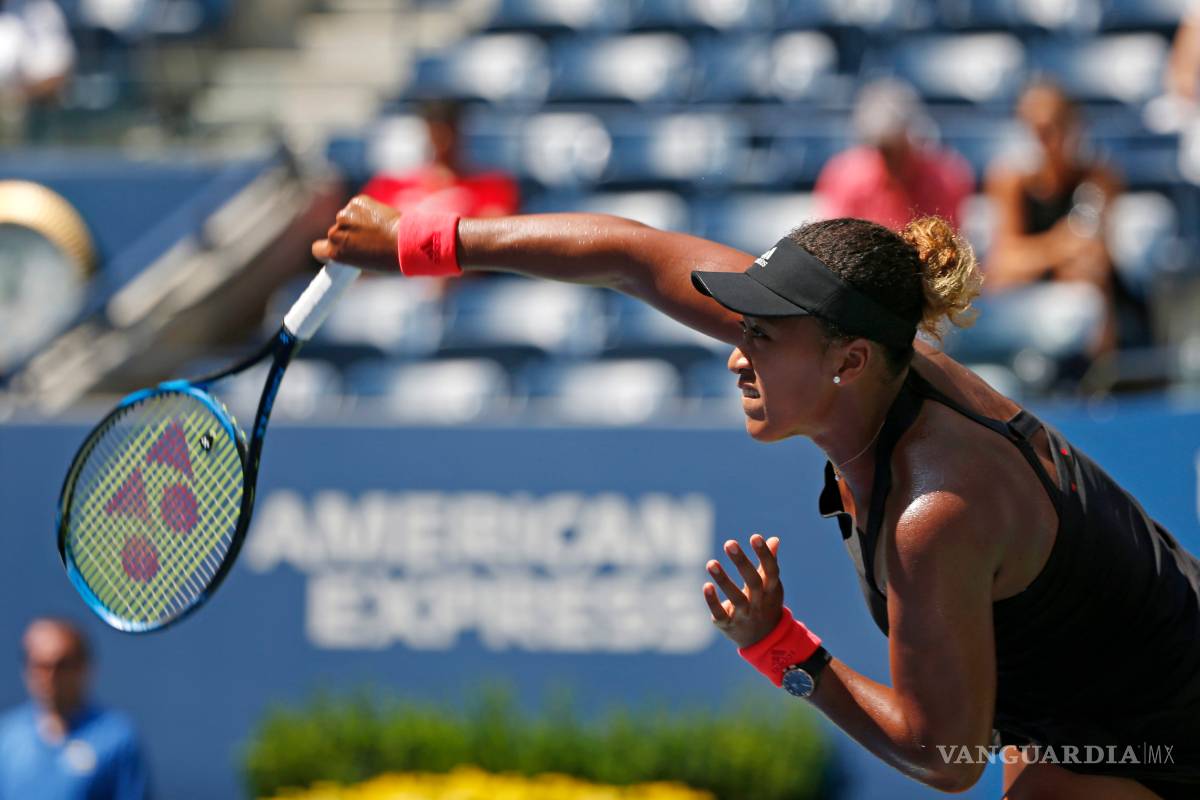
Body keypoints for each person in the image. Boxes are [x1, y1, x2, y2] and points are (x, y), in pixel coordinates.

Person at [313, 196, 1200, 798]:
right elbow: (631, 256)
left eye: (763, 338)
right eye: (743, 329)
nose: (738, 355)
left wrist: (779, 646)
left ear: (847, 362)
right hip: (1081, 692)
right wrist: (419, 242)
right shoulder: (870, 343)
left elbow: (945, 753)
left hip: (1158, 726)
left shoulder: (937, 514)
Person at [983, 81, 1128, 360]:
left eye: (1055, 128)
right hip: (1026, 303)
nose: (1046, 140)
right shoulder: (1009, 181)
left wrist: (1058, 256)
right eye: (1036, 130)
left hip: (1086, 299)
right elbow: (1003, 267)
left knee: (1087, 274)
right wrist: (1061, 245)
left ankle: (1103, 372)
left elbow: (1097, 256)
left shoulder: (1100, 177)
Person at [0, 618, 150, 799]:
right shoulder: (7, 737)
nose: (50, 677)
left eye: (61, 666)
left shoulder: (117, 738)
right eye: (40, 666)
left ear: (83, 668)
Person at [815, 78, 973, 230]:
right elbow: (836, 242)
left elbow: (948, 240)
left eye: (896, 148)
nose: (891, 158)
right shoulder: (845, 177)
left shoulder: (945, 179)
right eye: (883, 149)